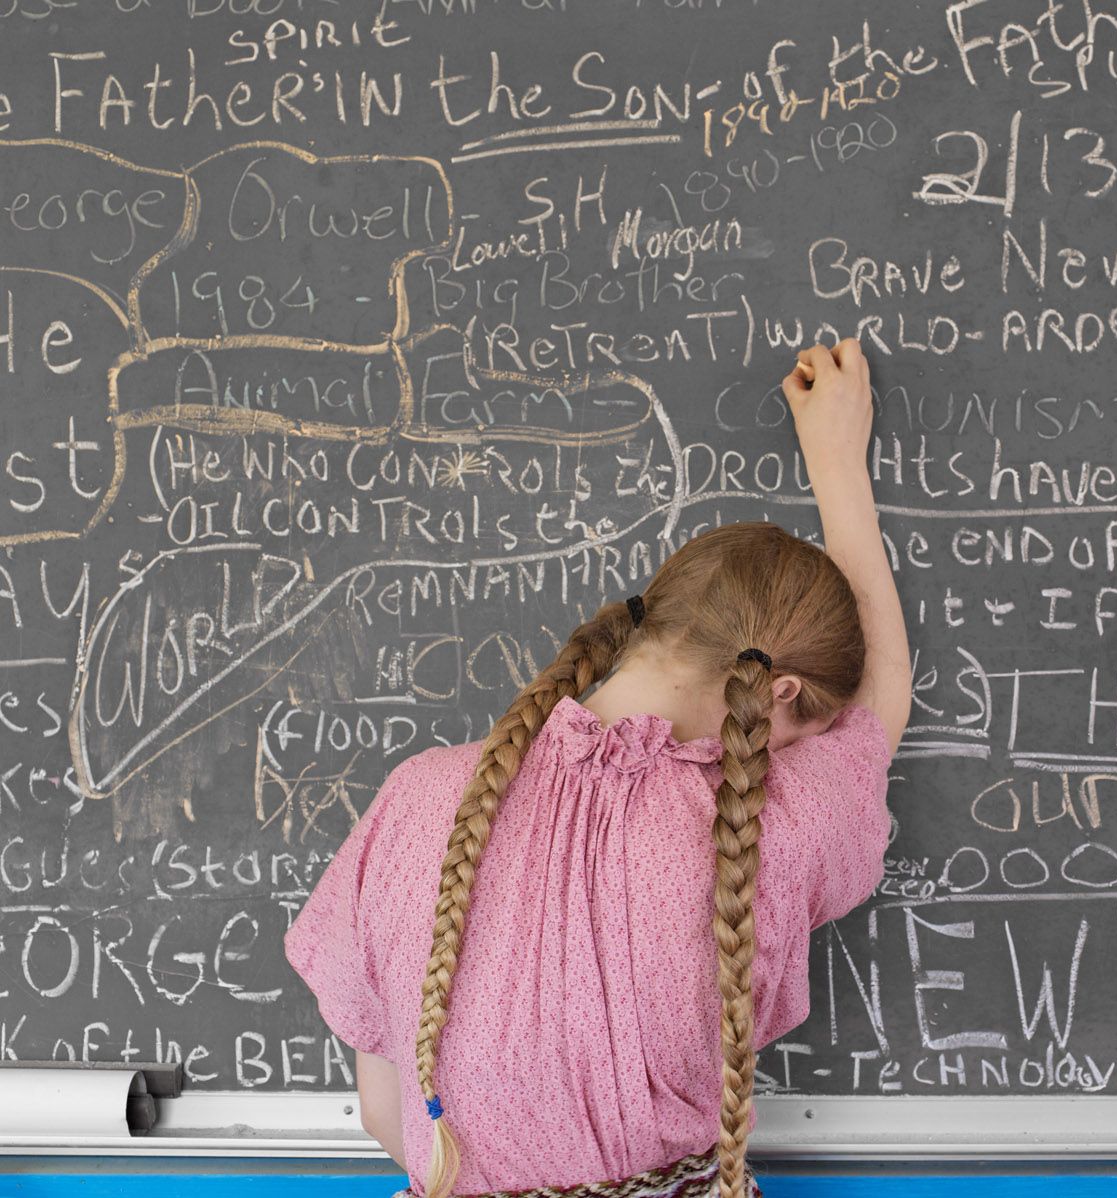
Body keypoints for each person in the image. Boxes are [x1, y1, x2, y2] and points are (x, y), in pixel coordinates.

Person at [284, 338, 912, 1198]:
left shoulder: (418, 798)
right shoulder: (769, 819)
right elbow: (880, 708)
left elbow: (385, 1115)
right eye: (802, 730)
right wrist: (837, 460)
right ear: (781, 693)